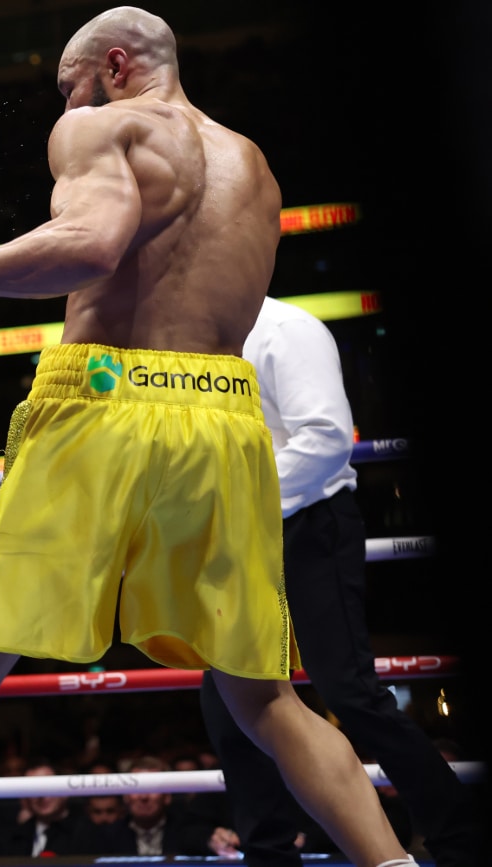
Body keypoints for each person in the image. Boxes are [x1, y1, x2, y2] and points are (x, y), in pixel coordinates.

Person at [0, 7, 416, 867]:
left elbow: (92, 245)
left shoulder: (104, 125)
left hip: (104, 398)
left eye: (69, 86)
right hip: (223, 416)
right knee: (267, 698)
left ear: (116, 65)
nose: (65, 107)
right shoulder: (255, 166)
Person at [197, 295, 481, 866]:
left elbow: (325, 438)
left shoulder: (286, 329)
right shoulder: (191, 335)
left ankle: (462, 839)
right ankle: (270, 854)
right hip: (230, 535)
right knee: (230, 707)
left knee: (348, 689)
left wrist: (229, 499)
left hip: (307, 523)